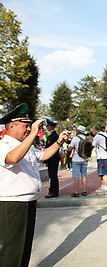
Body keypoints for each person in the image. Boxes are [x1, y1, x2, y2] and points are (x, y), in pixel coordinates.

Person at [0, 103, 70, 267]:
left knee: (24, 247)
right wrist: (33, 133)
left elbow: (44, 155)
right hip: (12, 203)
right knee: (11, 248)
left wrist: (59, 142)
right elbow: (12, 159)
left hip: (27, 201)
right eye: (25, 126)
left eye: (29, 126)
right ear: (11, 126)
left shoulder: (24, 146)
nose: (28, 129)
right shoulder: (4, 146)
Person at [69, 125, 89, 197]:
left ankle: (76, 192)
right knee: (84, 175)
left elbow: (70, 148)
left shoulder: (75, 139)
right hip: (85, 159)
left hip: (76, 159)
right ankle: (84, 191)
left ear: (78, 131)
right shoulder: (86, 139)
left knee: (76, 176)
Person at [91, 126, 107, 195]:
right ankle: (103, 186)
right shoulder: (105, 134)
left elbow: (93, 145)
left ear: (95, 130)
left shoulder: (98, 136)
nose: (92, 132)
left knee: (103, 173)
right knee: (103, 172)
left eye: (93, 131)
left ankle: (105, 188)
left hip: (102, 157)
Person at [44, 118, 61, 198]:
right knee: (54, 174)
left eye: (47, 126)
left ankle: (53, 191)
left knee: (52, 175)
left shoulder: (52, 136)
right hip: (55, 157)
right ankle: (53, 190)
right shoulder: (56, 135)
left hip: (52, 158)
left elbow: (48, 148)